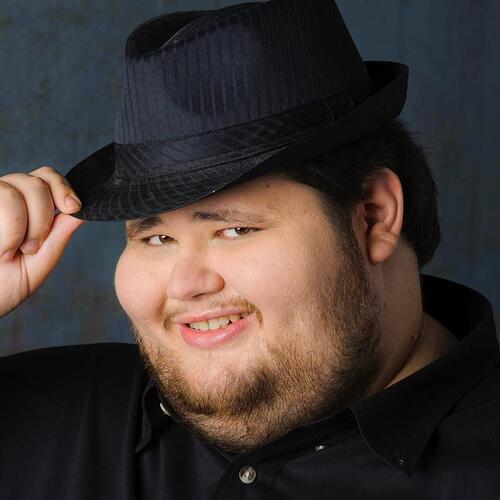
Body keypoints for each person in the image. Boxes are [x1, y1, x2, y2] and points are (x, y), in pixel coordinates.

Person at [0, 0, 498, 498]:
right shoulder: (53, 418)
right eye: (157, 238)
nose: (186, 284)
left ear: (373, 215)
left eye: (235, 230)